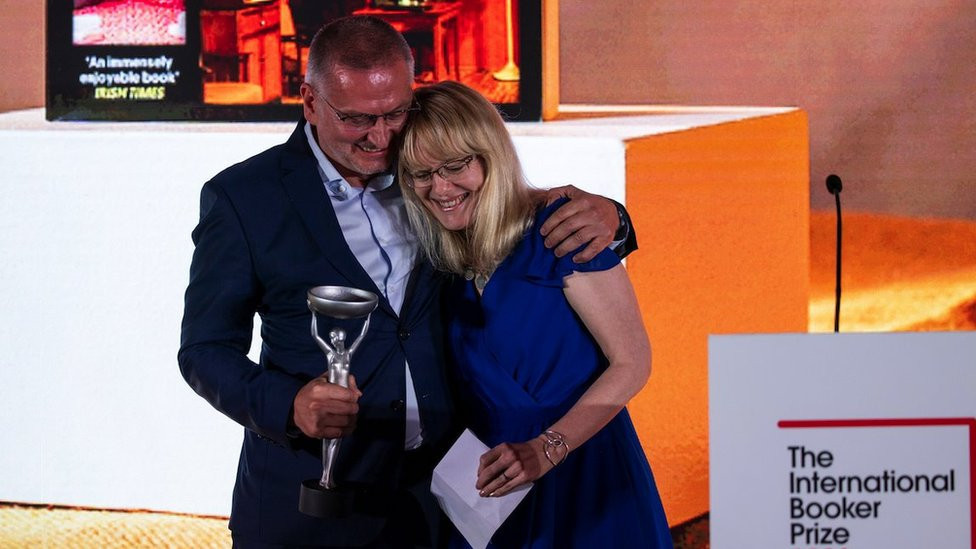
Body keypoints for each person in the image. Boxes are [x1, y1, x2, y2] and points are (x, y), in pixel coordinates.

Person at [178, 15, 634, 549]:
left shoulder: (434, 176)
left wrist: (614, 219)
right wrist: (289, 404)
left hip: (443, 498)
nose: (379, 138)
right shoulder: (243, 198)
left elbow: (518, 214)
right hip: (310, 502)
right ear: (308, 101)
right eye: (355, 120)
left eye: (395, 113)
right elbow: (205, 350)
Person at [397, 80, 672, 548]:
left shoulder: (560, 227)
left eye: (455, 166)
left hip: (585, 466)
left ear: (490, 155)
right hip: (493, 484)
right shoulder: (440, 262)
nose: (440, 188)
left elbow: (634, 361)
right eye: (421, 174)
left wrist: (549, 448)